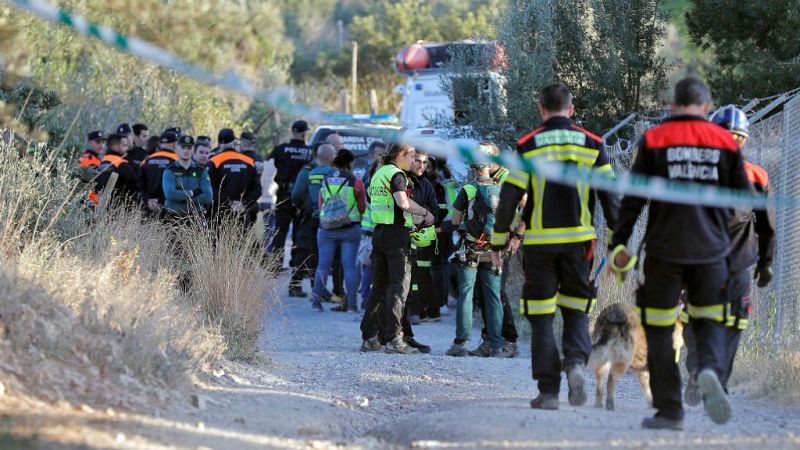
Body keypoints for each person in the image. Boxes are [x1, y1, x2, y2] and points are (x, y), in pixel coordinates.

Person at [608, 78, 751, 430]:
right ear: (706, 107)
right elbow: (745, 204)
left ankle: (670, 411)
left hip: (664, 253)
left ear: (672, 106)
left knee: (658, 331)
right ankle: (708, 370)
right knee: (709, 322)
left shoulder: (654, 139)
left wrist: (619, 245)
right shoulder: (724, 141)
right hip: (712, 255)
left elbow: (633, 200)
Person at [491, 83, 620, 410]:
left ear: (541, 109)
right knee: (576, 309)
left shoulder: (527, 145)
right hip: (580, 243)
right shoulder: (593, 144)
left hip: (540, 245)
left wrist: (498, 239)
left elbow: (508, 197)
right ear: (571, 110)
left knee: (541, 315)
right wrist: (617, 240)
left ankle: (549, 391)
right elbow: (609, 194)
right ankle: (576, 365)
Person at [683, 105, 775, 405]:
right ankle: (718, 379)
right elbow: (767, 227)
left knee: (693, 319)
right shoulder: (757, 175)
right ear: (743, 140)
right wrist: (766, 263)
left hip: (698, 263)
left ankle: (697, 372)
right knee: (735, 323)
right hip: (739, 264)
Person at [360, 143, 434, 355]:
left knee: (379, 287)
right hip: (396, 236)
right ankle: (393, 339)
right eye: (411, 156)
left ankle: (369, 337)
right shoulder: (396, 175)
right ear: (400, 155)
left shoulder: (378, 172)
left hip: (380, 234)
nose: (414, 161)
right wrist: (425, 213)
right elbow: (403, 202)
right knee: (398, 288)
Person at [446, 143, 508, 358]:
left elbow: (455, 219)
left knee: (466, 294)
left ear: (472, 166)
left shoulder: (468, 189)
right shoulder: (502, 188)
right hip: (494, 249)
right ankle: (496, 346)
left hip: (471, 248)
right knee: (493, 297)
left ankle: (461, 343)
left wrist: (464, 225)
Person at [312, 149, 367, 312]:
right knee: (349, 266)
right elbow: (362, 207)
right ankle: (352, 305)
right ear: (350, 163)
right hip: (350, 228)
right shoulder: (356, 182)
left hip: (326, 228)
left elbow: (320, 205)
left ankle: (316, 303)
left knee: (322, 266)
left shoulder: (326, 180)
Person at [267, 120, 314, 271]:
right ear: (304, 133)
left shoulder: (281, 149)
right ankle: (298, 266)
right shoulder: (310, 151)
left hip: (283, 196)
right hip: (302, 198)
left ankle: (275, 265)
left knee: (280, 231)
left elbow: (268, 165)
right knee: (299, 233)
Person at [292, 144, 336, 298]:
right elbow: (297, 194)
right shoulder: (322, 172)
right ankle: (303, 286)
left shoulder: (308, 171)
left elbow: (296, 195)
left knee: (307, 251)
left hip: (310, 215)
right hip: (318, 217)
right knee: (311, 252)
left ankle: (307, 286)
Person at [405, 150, 439, 326]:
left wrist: (423, 216)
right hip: (401, 237)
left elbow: (435, 210)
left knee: (417, 278)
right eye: (417, 161)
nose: (421, 166)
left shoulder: (426, 184)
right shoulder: (401, 179)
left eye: (425, 162)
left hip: (421, 238)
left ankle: (415, 311)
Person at [208, 128, 261, 227]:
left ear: (219, 144)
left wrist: (229, 203)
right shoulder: (249, 161)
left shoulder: (214, 161)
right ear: (234, 142)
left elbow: (211, 189)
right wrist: (242, 203)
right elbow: (257, 190)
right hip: (243, 213)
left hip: (219, 215)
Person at [359, 143, 387, 309]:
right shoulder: (369, 178)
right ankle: (365, 300)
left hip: (380, 229)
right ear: (371, 156)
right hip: (371, 229)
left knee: (374, 267)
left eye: (384, 154)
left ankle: (370, 300)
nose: (382, 157)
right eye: (379, 154)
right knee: (369, 266)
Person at [162, 135, 212, 218]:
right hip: (173, 216)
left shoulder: (202, 171)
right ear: (177, 149)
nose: (186, 150)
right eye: (183, 147)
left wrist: (180, 197)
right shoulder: (170, 171)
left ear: (193, 150)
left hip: (196, 217)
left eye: (189, 147)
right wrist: (192, 193)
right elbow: (170, 194)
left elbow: (208, 197)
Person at [139, 131, 179, 216]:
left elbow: (140, 185)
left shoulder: (146, 161)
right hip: (170, 210)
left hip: (148, 209)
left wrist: (148, 200)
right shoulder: (178, 161)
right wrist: (160, 201)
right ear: (174, 144)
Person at [94, 133, 138, 203]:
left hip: (98, 203)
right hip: (115, 205)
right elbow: (135, 179)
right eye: (124, 145)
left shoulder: (103, 161)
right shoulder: (120, 163)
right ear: (115, 147)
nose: (126, 149)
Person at [240, 130, 264, 226]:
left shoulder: (241, 158)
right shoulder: (259, 158)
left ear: (243, 142)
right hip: (254, 200)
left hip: (242, 202)